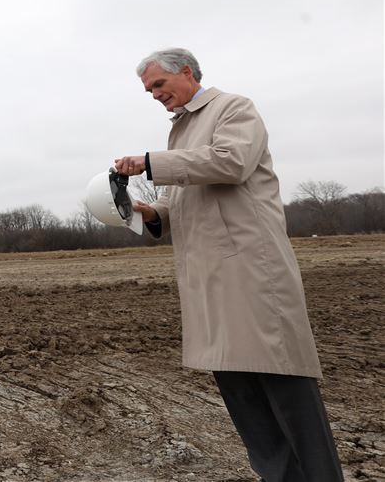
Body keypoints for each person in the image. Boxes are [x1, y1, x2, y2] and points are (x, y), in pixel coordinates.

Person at [114, 48, 342, 482]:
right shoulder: (180, 131)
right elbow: (177, 201)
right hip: (208, 281)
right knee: (246, 404)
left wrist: (150, 163)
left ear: (186, 72)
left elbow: (231, 162)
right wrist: (147, 212)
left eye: (159, 84)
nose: (155, 95)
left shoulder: (234, 108)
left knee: (285, 387)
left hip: (252, 274)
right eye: (149, 91)